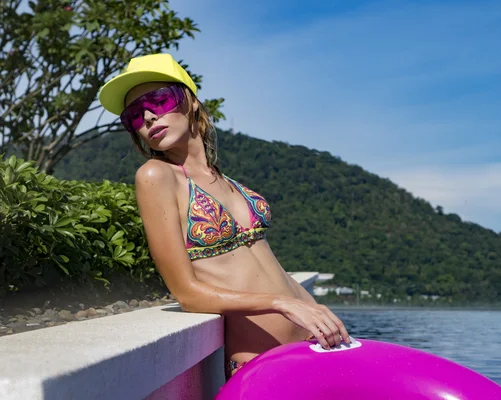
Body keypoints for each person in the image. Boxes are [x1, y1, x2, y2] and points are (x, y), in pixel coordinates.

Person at [98, 53, 351, 379]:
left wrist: (309, 305)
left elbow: (264, 265)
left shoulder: (227, 182)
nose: (147, 116)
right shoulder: (157, 176)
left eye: (158, 101)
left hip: (317, 341)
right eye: (133, 115)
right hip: (261, 364)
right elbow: (187, 293)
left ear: (188, 102)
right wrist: (283, 303)